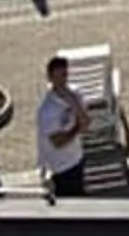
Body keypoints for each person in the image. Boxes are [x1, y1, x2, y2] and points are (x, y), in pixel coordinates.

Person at [36, 54, 87, 199]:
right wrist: (76, 128)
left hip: (76, 159)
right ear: (50, 78)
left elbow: (86, 123)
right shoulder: (47, 110)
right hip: (58, 167)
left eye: (64, 75)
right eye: (57, 76)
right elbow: (58, 142)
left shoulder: (75, 94)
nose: (61, 81)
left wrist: (75, 104)